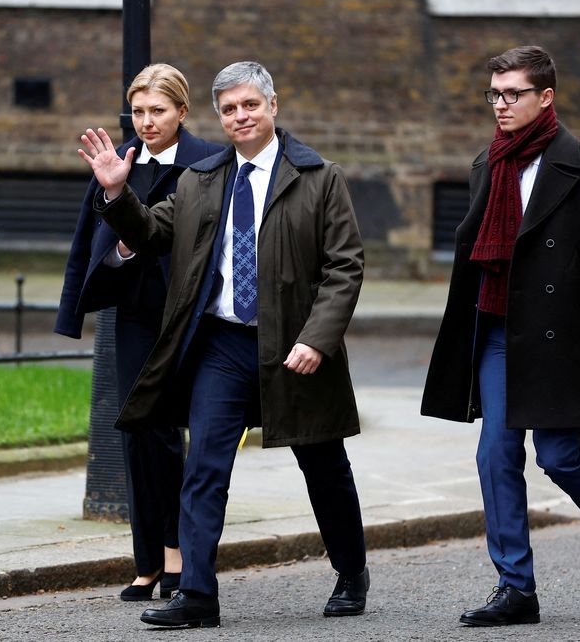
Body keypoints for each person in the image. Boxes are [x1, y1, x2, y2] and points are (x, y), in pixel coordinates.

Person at [76, 60, 369, 628]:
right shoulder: (201, 180)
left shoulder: (319, 177)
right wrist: (116, 193)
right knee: (204, 466)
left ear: (272, 106)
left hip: (294, 346)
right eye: (229, 109)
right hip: (222, 346)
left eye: (250, 105)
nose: (240, 117)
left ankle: (351, 570)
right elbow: (152, 232)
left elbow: (345, 268)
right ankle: (198, 594)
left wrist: (318, 338)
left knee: (323, 464)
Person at [421, 46, 580, 627]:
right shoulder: (487, 165)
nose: (500, 104)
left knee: (557, 455)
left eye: (513, 94)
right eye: (494, 94)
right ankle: (516, 586)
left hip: (561, 338)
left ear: (545, 97)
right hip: (499, 330)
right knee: (495, 451)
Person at [55, 63, 223, 603]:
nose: (147, 122)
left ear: (182, 112)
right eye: (139, 112)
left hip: (192, 319)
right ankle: (147, 562)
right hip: (133, 318)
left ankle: (179, 555)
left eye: (159, 111)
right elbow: (91, 243)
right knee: (138, 437)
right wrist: (122, 245)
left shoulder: (209, 164)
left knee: (179, 442)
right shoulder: (117, 163)